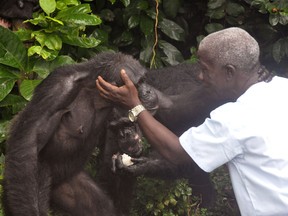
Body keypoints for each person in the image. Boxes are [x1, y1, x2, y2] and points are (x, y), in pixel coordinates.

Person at [96, 27, 288, 215]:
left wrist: (135, 105)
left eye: (205, 69)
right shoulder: (282, 87)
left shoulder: (235, 118)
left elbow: (176, 152)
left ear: (230, 72)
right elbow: (174, 105)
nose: (200, 76)